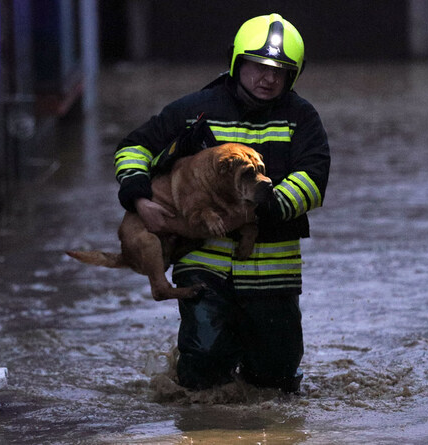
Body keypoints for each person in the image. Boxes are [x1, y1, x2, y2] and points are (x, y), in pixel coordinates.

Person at [113, 13, 330, 393]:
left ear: (293, 75)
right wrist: (139, 197)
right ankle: (199, 414)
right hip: (202, 261)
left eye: (280, 71)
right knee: (203, 363)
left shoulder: (301, 118)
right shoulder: (195, 111)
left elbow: (313, 180)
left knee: (277, 377)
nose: (268, 79)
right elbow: (134, 148)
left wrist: (258, 209)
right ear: (236, 62)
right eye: (258, 67)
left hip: (274, 268)